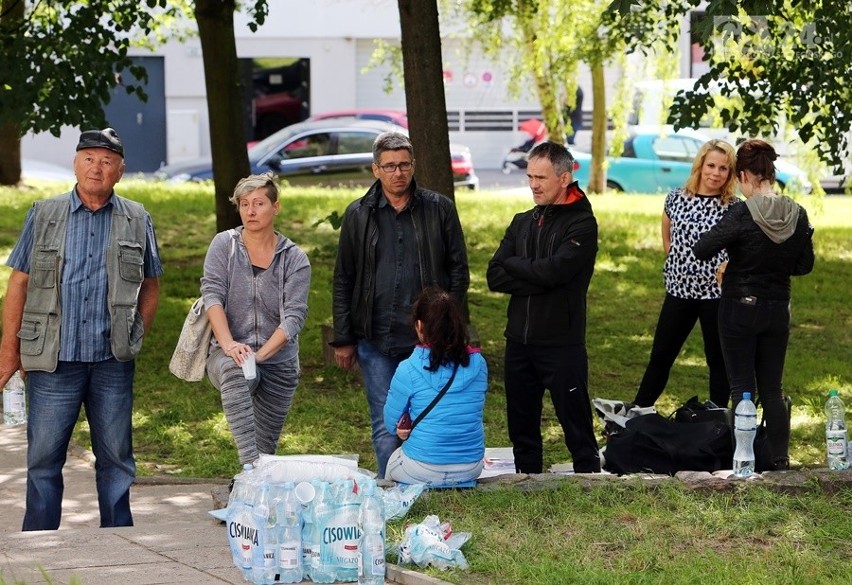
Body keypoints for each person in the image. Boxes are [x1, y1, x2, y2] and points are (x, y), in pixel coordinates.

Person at [0, 128, 163, 531]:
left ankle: (120, 541)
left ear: (120, 171)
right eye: (89, 158)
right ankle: (38, 541)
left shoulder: (137, 217)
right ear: (75, 164)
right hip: (54, 360)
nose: (97, 167)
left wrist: (134, 333)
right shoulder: (44, 213)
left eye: (107, 161)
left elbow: (151, 285)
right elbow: (18, 283)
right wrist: (10, 351)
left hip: (111, 361)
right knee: (43, 460)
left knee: (117, 459)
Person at [331, 131, 470, 478]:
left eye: (404, 165)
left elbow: (459, 270)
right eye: (390, 166)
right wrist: (344, 337)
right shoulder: (358, 214)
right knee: (386, 421)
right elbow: (343, 278)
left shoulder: (439, 209)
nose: (398, 173)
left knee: (427, 415)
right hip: (375, 338)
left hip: (428, 340)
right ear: (376, 169)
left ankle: (426, 485)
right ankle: (390, 493)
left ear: (413, 166)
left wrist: (446, 326)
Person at [694, 138, 814, 471]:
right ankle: (779, 459)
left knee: (742, 388)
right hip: (778, 310)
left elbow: (703, 247)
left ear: (745, 175)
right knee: (772, 389)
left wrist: (735, 261)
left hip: (739, 309)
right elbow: (804, 265)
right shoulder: (797, 213)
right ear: (771, 174)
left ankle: (743, 459)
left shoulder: (742, 212)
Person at [486, 141, 600, 474]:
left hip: (562, 343)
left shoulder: (582, 224)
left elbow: (557, 272)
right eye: (530, 176)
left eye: (542, 178)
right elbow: (495, 275)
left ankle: (590, 480)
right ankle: (527, 480)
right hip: (519, 341)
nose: (534, 184)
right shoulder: (522, 221)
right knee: (521, 422)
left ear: (565, 178)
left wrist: (520, 266)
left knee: (575, 421)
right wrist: (541, 275)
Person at [202, 173, 311, 466]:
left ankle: (251, 490)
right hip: (229, 353)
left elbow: (294, 317)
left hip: (279, 362)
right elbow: (211, 296)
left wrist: (260, 356)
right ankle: (250, 469)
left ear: (276, 207)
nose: (250, 211)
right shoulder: (224, 245)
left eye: (259, 203)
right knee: (238, 371)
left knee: (266, 449)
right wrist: (229, 346)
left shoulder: (295, 259)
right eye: (244, 204)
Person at [632, 139, 738, 409]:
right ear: (700, 165)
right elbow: (667, 234)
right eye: (711, 165)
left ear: (730, 173)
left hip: (716, 295)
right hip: (679, 292)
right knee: (661, 356)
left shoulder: (735, 207)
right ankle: (638, 410)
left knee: (718, 359)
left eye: (723, 168)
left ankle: (718, 418)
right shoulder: (676, 198)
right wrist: (676, 261)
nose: (716, 173)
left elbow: (740, 249)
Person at [383, 287, 488, 484]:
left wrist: (402, 426)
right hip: (471, 467)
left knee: (392, 463)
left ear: (420, 325)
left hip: (422, 467)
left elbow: (390, 424)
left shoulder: (408, 369)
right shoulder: (479, 363)